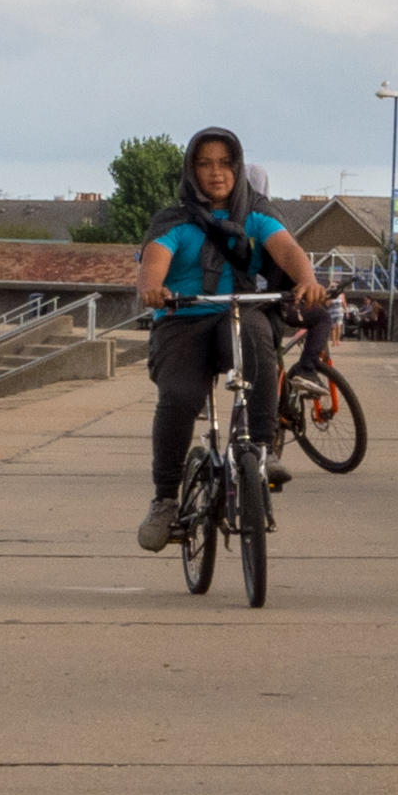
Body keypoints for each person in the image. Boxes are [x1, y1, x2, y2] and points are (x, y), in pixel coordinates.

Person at [132, 126, 318, 550]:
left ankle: (265, 450)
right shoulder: (174, 220)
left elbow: (286, 248)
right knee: (178, 397)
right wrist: (153, 287)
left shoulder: (256, 213)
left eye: (225, 163)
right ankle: (164, 499)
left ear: (237, 168)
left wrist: (307, 279)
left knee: (257, 341)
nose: (216, 173)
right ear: (191, 170)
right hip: (183, 317)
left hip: (236, 309)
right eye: (205, 164)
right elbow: (155, 260)